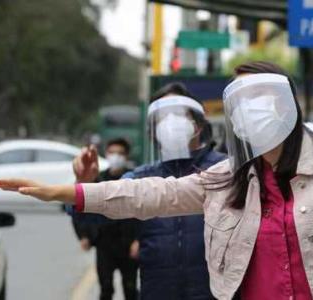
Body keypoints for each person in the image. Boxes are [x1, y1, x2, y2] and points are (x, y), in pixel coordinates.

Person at [0, 62, 313, 300]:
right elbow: (150, 194)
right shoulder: (228, 178)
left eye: (261, 100)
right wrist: (69, 192)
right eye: (242, 104)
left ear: (287, 105)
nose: (253, 112)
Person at [74, 82, 224, 300]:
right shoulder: (141, 177)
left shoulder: (224, 171)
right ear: (153, 130)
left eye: (178, 113)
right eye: (162, 117)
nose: (170, 122)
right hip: (157, 291)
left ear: (198, 124)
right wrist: (84, 184)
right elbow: (98, 214)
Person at [72, 138, 139, 300]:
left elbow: (146, 211)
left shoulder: (135, 180)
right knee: (106, 289)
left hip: (128, 246)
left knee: (130, 290)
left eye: (120, 153)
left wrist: (138, 240)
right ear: (106, 154)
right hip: (104, 245)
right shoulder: (97, 179)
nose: (116, 156)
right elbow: (79, 210)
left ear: (127, 156)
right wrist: (83, 236)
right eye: (112, 152)